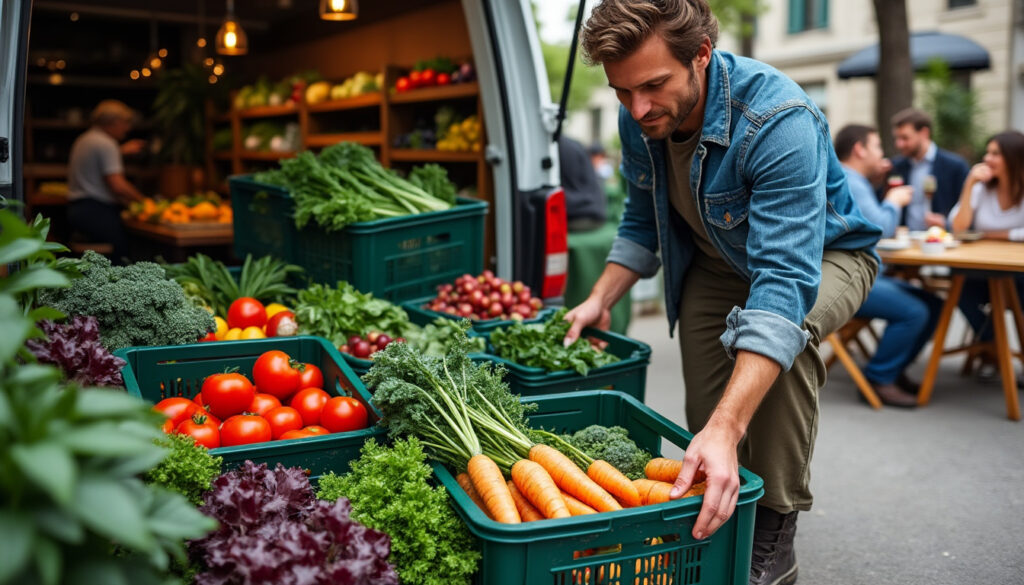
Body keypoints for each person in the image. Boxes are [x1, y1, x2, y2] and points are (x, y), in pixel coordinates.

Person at [568, 2, 881, 584]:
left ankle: (774, 531)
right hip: (715, 265)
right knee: (708, 414)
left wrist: (731, 425)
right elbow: (642, 222)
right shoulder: (638, 116)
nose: (638, 107)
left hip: (824, 257)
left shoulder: (778, 118)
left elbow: (785, 282)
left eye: (654, 86)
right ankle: (721, 506)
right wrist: (599, 297)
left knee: (784, 339)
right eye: (622, 91)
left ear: (702, 56)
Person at [835, 124, 943, 406]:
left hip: (863, 272)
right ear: (860, 149)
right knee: (915, 311)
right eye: (878, 146)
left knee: (935, 304)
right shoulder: (849, 180)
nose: (883, 153)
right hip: (847, 279)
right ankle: (879, 377)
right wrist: (894, 201)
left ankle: (892, 370)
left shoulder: (853, 180)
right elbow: (881, 228)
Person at [949, 130, 1024, 368]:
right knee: (959, 287)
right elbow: (958, 228)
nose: (987, 158)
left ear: (1014, 158)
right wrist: (969, 184)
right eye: (987, 152)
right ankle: (991, 347)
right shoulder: (982, 189)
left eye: (995, 153)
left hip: (1018, 270)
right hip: (980, 269)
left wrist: (995, 235)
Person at [67, 99, 147, 263]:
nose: (128, 128)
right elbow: (118, 186)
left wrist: (120, 151)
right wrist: (144, 201)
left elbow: (96, 164)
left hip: (77, 210)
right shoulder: (106, 144)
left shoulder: (84, 139)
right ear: (114, 122)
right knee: (126, 250)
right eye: (125, 122)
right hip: (96, 211)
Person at [889, 108, 969, 231]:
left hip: (941, 242)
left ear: (924, 133)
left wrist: (946, 222)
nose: (899, 144)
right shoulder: (895, 166)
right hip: (904, 242)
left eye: (905, 138)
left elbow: (967, 207)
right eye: (897, 138)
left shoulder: (955, 166)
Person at [559, 135, 608, 232]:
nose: (599, 160)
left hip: (585, 214)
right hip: (593, 211)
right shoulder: (575, 144)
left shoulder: (559, 145)